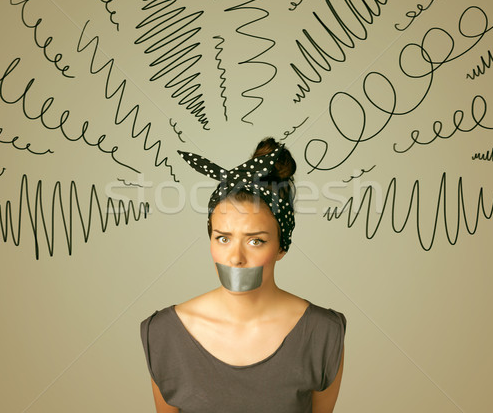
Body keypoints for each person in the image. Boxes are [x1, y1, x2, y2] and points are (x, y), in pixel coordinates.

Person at [140, 137, 346, 413]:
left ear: (281, 247)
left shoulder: (322, 333)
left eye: (255, 241)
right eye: (223, 238)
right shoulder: (164, 333)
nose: (236, 258)